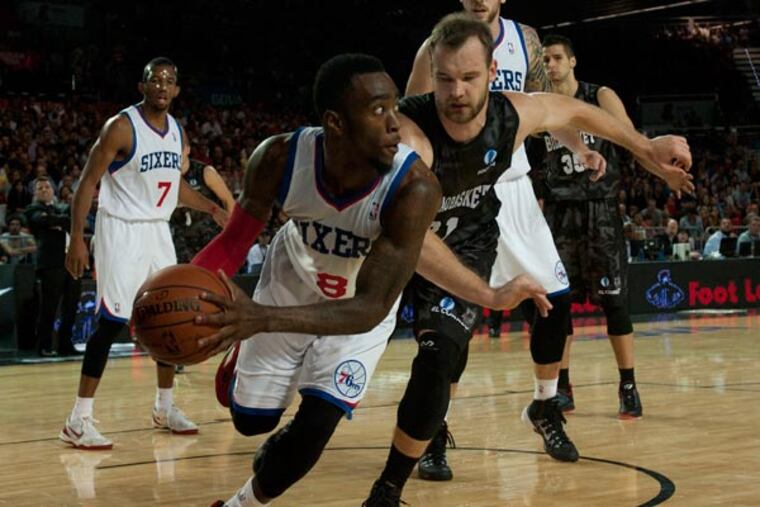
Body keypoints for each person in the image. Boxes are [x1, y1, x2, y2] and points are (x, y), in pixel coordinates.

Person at [362, 15, 693, 505]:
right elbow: (405, 197)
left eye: (469, 78)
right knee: (405, 360)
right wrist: (488, 295)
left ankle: (542, 407)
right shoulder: (414, 133)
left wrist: (645, 148)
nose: (457, 90)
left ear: (492, 71)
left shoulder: (519, 79)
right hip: (422, 228)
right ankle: (406, 436)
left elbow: (569, 110)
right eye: (447, 79)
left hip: (492, 199)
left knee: (547, 304)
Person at [192, 53, 447, 507]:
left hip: (357, 311)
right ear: (336, 123)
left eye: (395, 107)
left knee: (316, 425)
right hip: (292, 279)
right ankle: (241, 369)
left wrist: (260, 319)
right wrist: (182, 291)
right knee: (251, 422)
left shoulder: (415, 189)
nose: (395, 125)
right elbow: (233, 243)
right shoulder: (278, 157)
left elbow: (369, 308)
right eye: (377, 110)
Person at [60, 57, 227, 450]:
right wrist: (77, 238)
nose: (162, 87)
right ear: (142, 86)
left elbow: (173, 187)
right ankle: (77, 419)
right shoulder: (121, 126)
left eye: (170, 81)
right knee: (111, 321)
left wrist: (212, 208)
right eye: (155, 80)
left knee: (171, 314)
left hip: (157, 229)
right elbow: (87, 182)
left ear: (177, 90)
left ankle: (164, 407)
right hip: (119, 228)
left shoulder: (176, 131)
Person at [530, 34, 694, 419]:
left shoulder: (599, 96)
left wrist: (663, 174)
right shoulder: (538, 103)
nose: (550, 65)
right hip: (556, 212)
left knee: (616, 304)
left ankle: (628, 386)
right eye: (545, 59)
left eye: (556, 58)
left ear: (572, 61)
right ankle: (562, 387)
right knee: (557, 306)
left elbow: (636, 143)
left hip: (600, 210)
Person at [407, 0, 549, 346]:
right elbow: (413, 112)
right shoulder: (434, 46)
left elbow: (550, 106)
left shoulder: (525, 40)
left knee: (549, 296)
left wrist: (581, 148)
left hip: (512, 181)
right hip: (460, 182)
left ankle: (551, 391)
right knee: (451, 314)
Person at [24, 177, 81, 356]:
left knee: (71, 306)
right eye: (40, 188)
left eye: (47, 186)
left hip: (70, 262)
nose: (44, 190)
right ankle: (44, 345)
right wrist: (59, 221)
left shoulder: (61, 208)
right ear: (35, 193)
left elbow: (72, 220)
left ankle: (65, 344)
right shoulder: (32, 208)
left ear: (52, 190)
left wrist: (55, 221)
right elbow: (41, 221)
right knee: (49, 307)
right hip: (50, 263)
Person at [170, 144, 235, 263]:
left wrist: (230, 232)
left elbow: (228, 200)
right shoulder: (166, 175)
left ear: (187, 150)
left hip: (208, 237)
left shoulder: (205, 172)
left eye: (178, 150)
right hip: (181, 241)